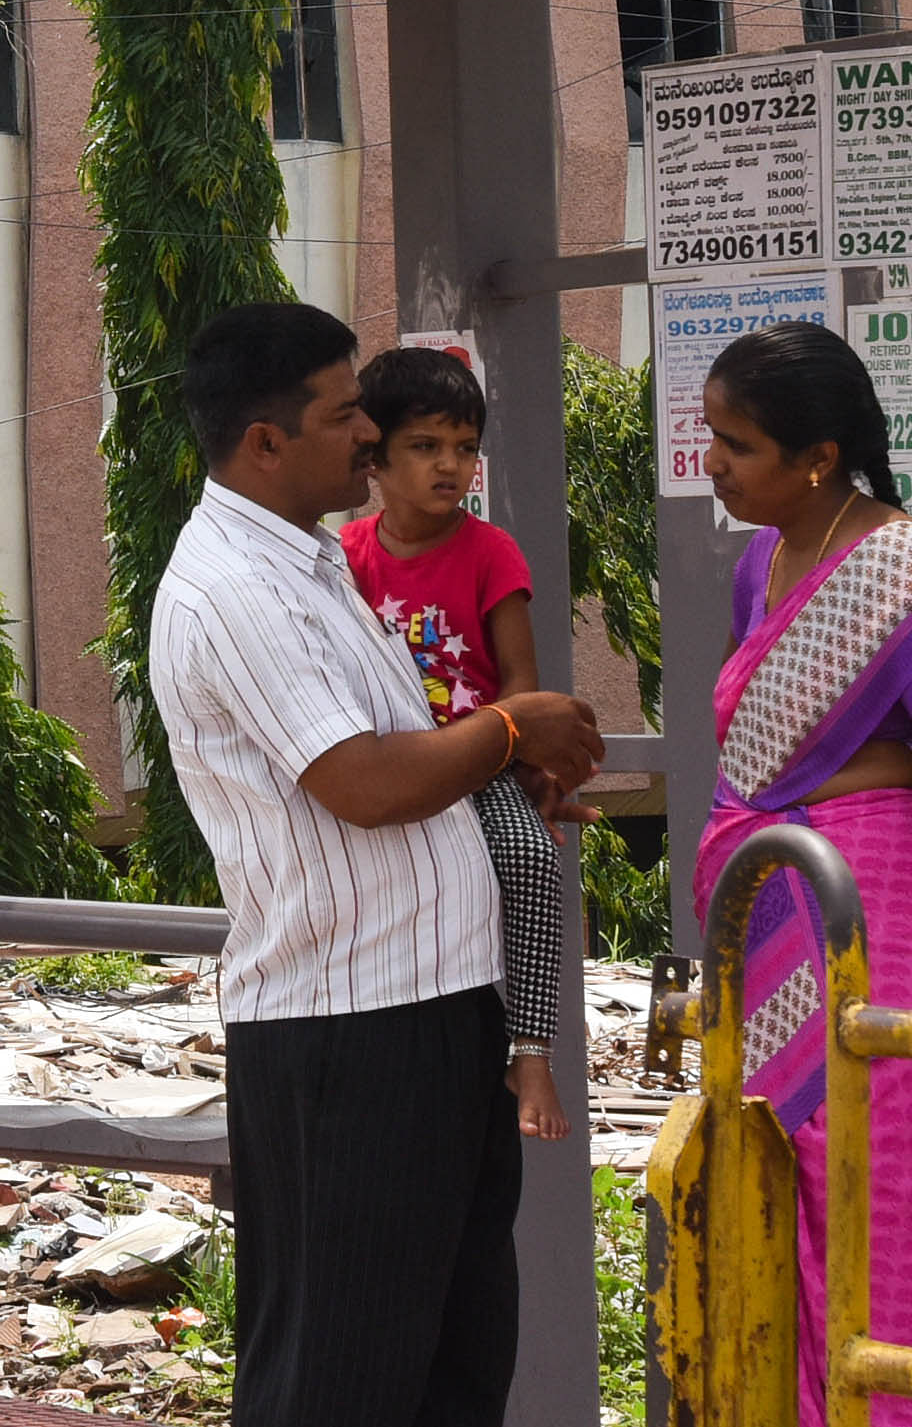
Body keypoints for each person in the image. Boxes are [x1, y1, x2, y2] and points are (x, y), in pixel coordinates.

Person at [148, 301, 603, 1427]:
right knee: (341, 1372)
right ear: (266, 439)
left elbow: (410, 758)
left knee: (451, 1358)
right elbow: (362, 782)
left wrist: (498, 770)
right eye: (348, 412)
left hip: (439, 1008)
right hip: (348, 1032)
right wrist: (511, 729)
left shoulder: (308, 561)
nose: (370, 434)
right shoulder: (232, 588)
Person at [688, 319, 912, 1427]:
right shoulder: (764, 561)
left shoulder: (900, 569)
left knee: (901, 1194)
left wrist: (887, 853)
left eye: (735, 443)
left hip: (889, 926)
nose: (711, 462)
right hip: (786, 919)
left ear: (815, 454)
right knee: (795, 1192)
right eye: (711, 435)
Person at [345, 340, 573, 1144]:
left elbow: (521, 684)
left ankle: (532, 1047)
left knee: (531, 862)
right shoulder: (346, 559)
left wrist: (503, 757)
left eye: (465, 446)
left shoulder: (489, 551)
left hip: (476, 764)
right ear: (372, 453)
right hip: (381, 766)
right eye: (425, 445)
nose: (451, 464)